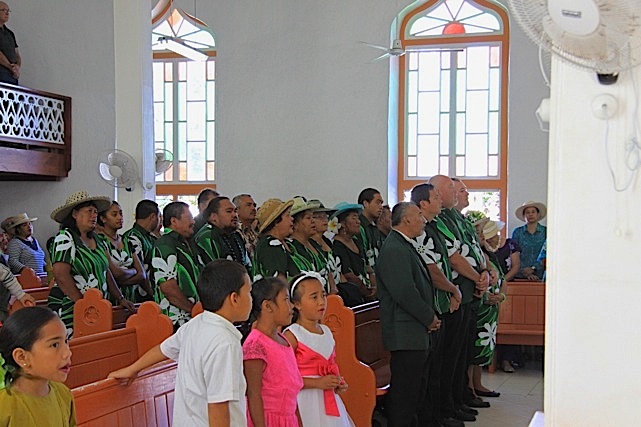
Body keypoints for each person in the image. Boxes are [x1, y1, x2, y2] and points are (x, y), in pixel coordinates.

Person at [109, 260, 253, 426]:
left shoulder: (196, 324)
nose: (251, 299)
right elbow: (218, 406)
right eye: (248, 292)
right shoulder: (225, 343)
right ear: (234, 298)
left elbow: (163, 350)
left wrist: (132, 369)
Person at [375, 202, 441, 427]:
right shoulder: (394, 248)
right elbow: (405, 292)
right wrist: (428, 317)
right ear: (406, 220)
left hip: (413, 331)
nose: (423, 220)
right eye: (419, 215)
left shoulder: (405, 245)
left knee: (414, 390)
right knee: (405, 392)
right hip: (405, 333)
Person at [410, 183, 465, 427]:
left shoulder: (432, 227)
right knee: (430, 369)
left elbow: (443, 261)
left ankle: (441, 412)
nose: (440, 200)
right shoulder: (419, 232)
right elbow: (432, 270)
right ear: (422, 203)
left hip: (442, 304)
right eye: (435, 197)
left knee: (441, 364)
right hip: (429, 305)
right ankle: (430, 417)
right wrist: (453, 289)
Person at [48, 190, 135, 335]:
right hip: (71, 308)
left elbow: (105, 271)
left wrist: (120, 298)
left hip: (96, 308)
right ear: (75, 214)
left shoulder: (99, 240)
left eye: (95, 212)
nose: (94, 215)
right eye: (89, 211)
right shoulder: (65, 238)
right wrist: (82, 304)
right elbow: (60, 274)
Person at [283, 272, 354, 427]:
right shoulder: (293, 335)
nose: (321, 302)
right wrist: (317, 382)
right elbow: (284, 378)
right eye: (314, 297)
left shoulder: (327, 331)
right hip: (304, 401)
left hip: (327, 399)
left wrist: (336, 382)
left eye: (323, 295)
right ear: (297, 304)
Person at [243, 276, 303, 427]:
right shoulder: (255, 345)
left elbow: (292, 398)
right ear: (268, 306)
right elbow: (253, 395)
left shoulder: (284, 340)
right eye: (286, 300)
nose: (292, 307)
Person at [0, 306, 75, 425]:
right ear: (22, 357)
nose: (68, 353)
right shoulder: (4, 405)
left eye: (66, 341)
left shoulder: (63, 394)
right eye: (55, 345)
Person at [468, 219, 506, 398]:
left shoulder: (494, 258)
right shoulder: (478, 256)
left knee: (483, 348)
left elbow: (502, 281)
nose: (497, 239)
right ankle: (469, 387)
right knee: (474, 348)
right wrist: (485, 296)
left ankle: (478, 383)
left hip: (491, 312)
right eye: (494, 236)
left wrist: (501, 296)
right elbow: (475, 281)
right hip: (480, 309)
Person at [152, 201, 202, 329]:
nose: (193, 222)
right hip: (176, 320)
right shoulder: (165, 244)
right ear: (174, 221)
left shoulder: (187, 243)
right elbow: (168, 287)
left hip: (192, 317)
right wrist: (193, 310)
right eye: (189, 218)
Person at [97, 201, 149, 304]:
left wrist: (121, 280)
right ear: (103, 219)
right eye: (114, 214)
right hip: (110, 300)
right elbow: (114, 273)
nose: (119, 217)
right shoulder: (100, 241)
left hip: (131, 299)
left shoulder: (126, 241)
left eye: (121, 214)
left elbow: (142, 274)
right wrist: (133, 271)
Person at [289, 198, 338, 294]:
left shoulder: (314, 244)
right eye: (308, 218)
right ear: (295, 224)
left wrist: (333, 290)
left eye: (312, 217)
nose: (312, 221)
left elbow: (328, 270)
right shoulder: (292, 248)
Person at [331, 202, 376, 301]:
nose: (358, 222)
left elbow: (367, 267)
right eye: (354, 218)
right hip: (353, 297)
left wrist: (373, 285)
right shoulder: (337, 246)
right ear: (342, 223)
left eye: (358, 218)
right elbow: (348, 275)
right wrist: (366, 291)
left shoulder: (356, 241)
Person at [253, 198, 304, 282]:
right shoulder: (271, 245)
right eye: (287, 215)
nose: (292, 219)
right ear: (276, 222)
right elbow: (279, 281)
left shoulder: (282, 243)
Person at [195, 196, 252, 272]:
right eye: (229, 211)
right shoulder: (206, 237)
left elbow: (248, 266)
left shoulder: (236, 236)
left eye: (235, 211)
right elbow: (215, 272)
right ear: (213, 217)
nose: (235, 215)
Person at [122, 199, 160, 302]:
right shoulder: (132, 237)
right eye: (159, 217)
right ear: (153, 217)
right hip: (138, 297)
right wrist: (152, 294)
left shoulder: (150, 237)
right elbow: (139, 271)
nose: (159, 221)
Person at [511, 201, 547, 280]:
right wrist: (525, 272)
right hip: (520, 276)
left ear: (538, 214)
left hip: (542, 276)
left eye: (533, 212)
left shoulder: (546, 232)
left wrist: (534, 268)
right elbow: (513, 254)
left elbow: (548, 254)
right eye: (527, 212)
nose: (530, 214)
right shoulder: (517, 232)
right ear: (524, 216)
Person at [356, 188, 385, 269]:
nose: (381, 207)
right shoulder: (357, 226)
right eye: (377, 203)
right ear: (366, 203)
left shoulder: (374, 227)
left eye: (381, 203)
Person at [233, 194, 259, 261]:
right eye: (248, 205)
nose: (253, 208)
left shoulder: (255, 232)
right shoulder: (234, 232)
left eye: (254, 205)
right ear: (237, 210)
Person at [0, 2, 20, 85]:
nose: (7, 13)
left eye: (8, 10)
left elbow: (17, 54)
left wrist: (17, 67)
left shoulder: (10, 33)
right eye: (4, 10)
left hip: (12, 76)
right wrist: (10, 66)